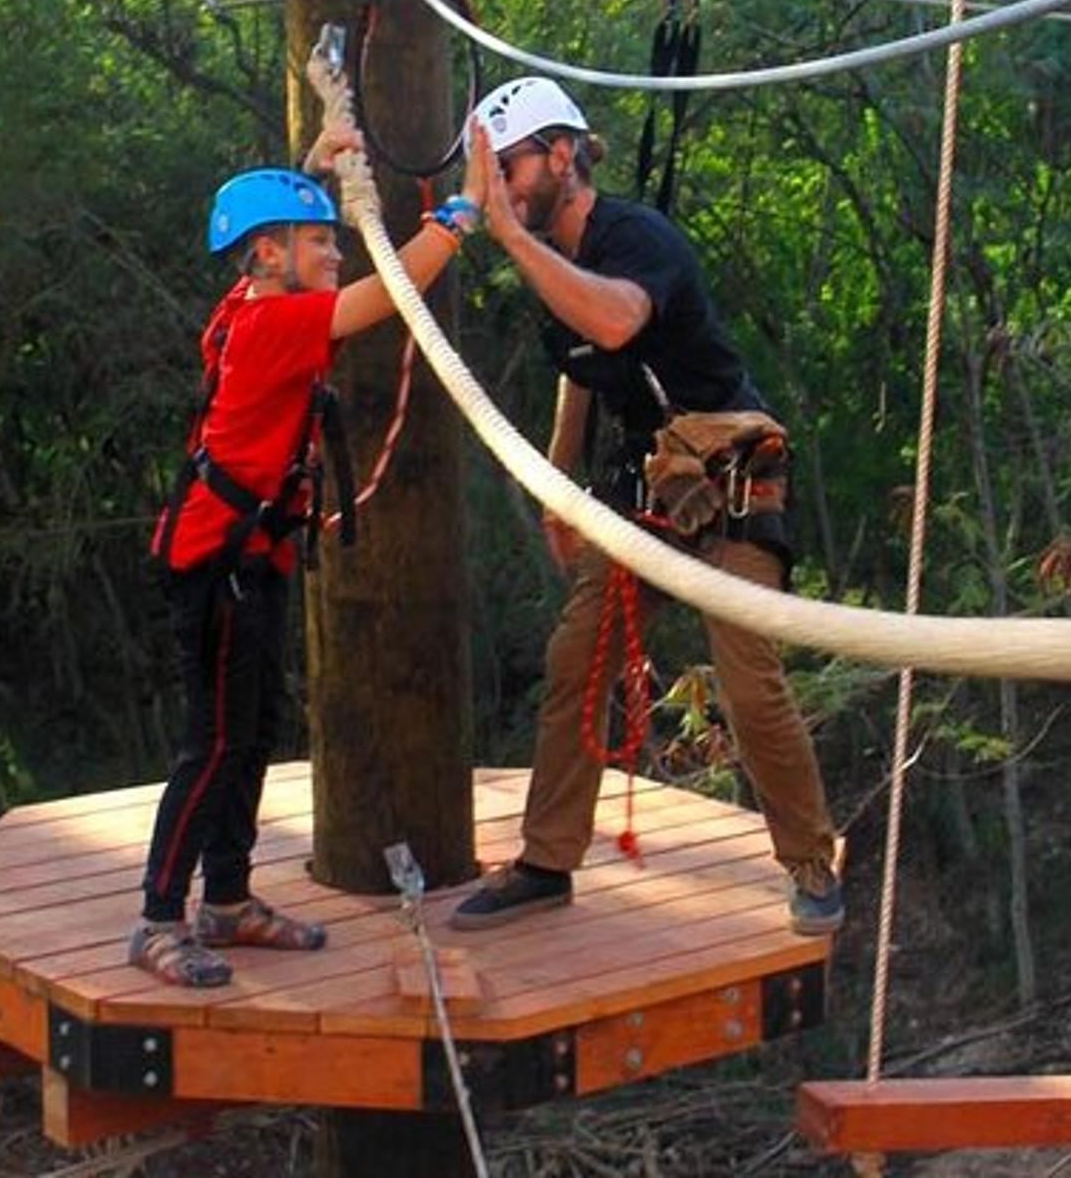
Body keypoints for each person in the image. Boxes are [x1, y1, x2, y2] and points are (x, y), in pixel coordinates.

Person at [447, 76, 844, 936]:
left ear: (562, 155)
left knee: (746, 675)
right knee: (575, 660)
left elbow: (619, 322)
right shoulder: (555, 260)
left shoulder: (636, 238)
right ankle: (547, 861)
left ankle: (811, 859)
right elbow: (584, 364)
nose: (503, 188)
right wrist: (561, 485)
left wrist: (510, 235)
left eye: (509, 166)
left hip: (731, 478)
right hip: (644, 491)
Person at [133, 125, 482, 987]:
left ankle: (228, 898)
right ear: (265, 255)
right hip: (219, 564)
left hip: (248, 561)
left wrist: (318, 164)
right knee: (212, 744)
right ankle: (155, 917)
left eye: (333, 238)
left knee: (249, 736)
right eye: (320, 240)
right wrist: (464, 210)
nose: (334, 251)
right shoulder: (273, 323)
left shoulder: (249, 304)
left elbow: (283, 223)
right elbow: (384, 299)